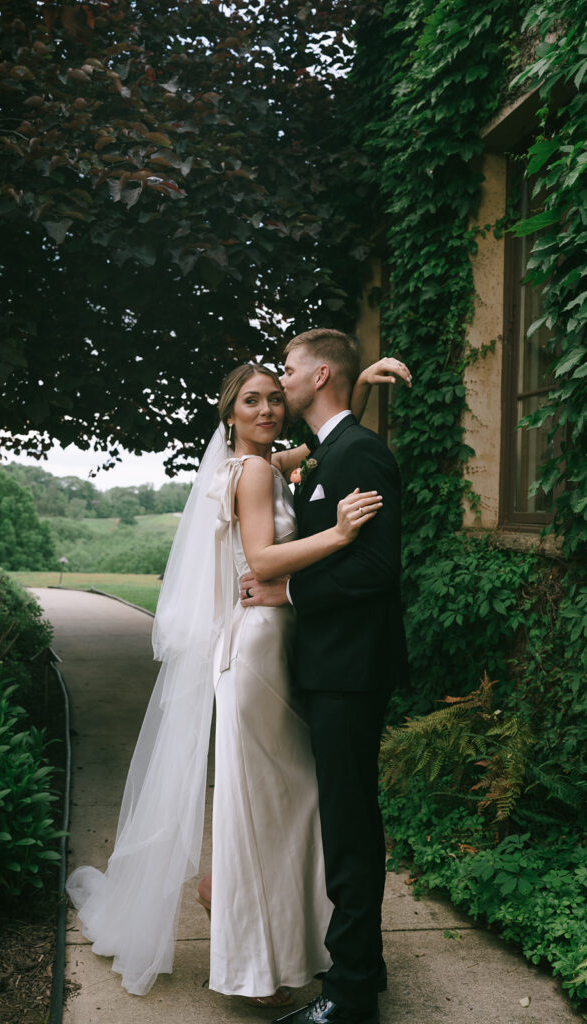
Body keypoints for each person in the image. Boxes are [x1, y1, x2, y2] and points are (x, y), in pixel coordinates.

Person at [66, 349, 410, 1008]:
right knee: (280, 799)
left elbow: (328, 450)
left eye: (273, 398)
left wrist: (355, 390)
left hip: (276, 646)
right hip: (256, 650)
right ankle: (244, 932)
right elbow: (261, 556)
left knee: (289, 800)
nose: (266, 407)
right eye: (250, 400)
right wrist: (338, 534)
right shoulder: (252, 470)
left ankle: (240, 909)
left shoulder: (267, 464)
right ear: (229, 414)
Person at [240, 329, 410, 1024]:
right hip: (328, 669)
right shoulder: (336, 449)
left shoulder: (360, 452)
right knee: (343, 822)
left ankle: (348, 997)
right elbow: (319, 453)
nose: (280, 383)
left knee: (348, 828)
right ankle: (361, 968)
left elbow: (375, 568)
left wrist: (292, 595)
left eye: (287, 370)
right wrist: (359, 385)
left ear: (318, 375)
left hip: (348, 670)